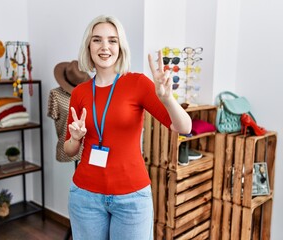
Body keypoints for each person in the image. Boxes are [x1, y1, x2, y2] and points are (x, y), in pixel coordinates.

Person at [63, 15, 192, 240]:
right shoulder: (79, 92)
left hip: (131, 199)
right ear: (88, 46)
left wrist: (168, 99)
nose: (105, 47)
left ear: (120, 47)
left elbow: (184, 127)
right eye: (97, 40)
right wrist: (75, 139)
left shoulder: (138, 83)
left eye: (112, 40)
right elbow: (68, 150)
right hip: (85, 196)